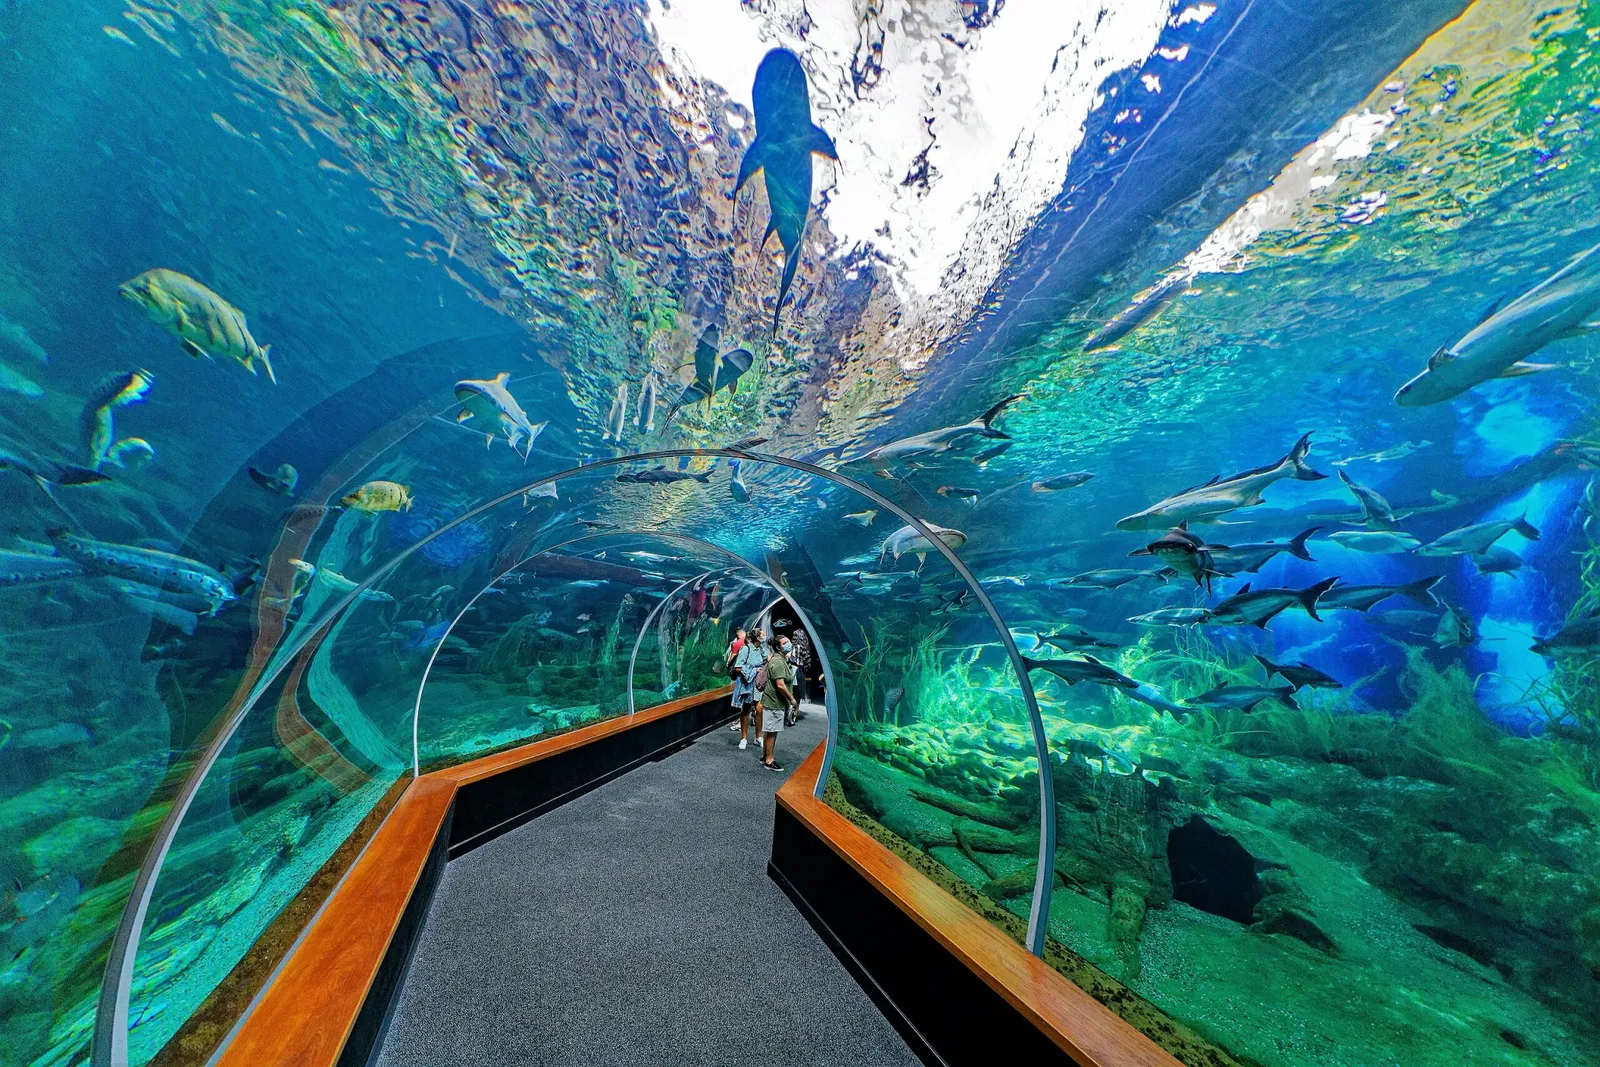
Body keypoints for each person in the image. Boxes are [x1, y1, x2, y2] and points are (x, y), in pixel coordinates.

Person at [758, 634, 799, 771]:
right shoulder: (778, 662)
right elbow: (780, 685)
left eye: (788, 641)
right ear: (778, 647)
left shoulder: (782, 659)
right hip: (774, 701)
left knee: (769, 729)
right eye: (785, 642)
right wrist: (791, 699)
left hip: (774, 701)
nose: (789, 643)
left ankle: (765, 756)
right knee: (773, 730)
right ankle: (769, 760)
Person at [731, 627, 768, 751]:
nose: (764, 636)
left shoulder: (761, 650)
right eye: (762, 634)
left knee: (760, 708)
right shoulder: (746, 649)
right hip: (747, 682)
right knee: (746, 709)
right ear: (757, 637)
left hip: (758, 683)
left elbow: (765, 661)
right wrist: (753, 670)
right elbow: (737, 667)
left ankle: (758, 737)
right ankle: (744, 738)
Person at [725, 628, 747, 733]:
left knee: (741, 699)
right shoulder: (750, 643)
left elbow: (732, 658)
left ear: (738, 633)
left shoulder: (737, 643)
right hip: (750, 675)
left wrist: (727, 665)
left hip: (740, 674)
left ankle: (741, 722)